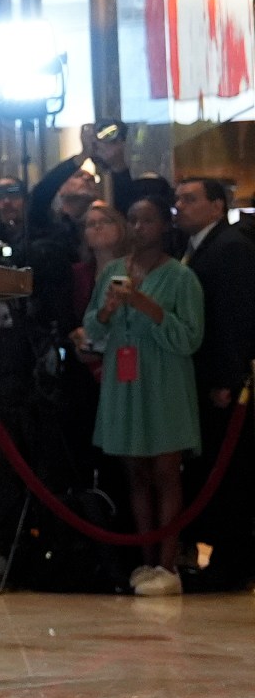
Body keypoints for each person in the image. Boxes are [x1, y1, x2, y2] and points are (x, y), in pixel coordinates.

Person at [87, 195, 206, 596]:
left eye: (148, 220)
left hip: (164, 378)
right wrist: (105, 311)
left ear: (164, 226)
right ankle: (145, 559)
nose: (139, 228)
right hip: (125, 379)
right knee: (134, 471)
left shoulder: (181, 277)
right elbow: (92, 329)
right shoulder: (112, 272)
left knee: (166, 471)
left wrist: (147, 306)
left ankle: (168, 564)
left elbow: (190, 336)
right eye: (133, 220)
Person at [177, 177, 255, 589]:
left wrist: (227, 376)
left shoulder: (230, 248)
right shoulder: (197, 248)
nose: (179, 206)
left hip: (224, 380)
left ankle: (233, 561)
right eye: (178, 199)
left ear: (216, 205)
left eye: (190, 199)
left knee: (232, 472)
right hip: (203, 376)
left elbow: (235, 317)